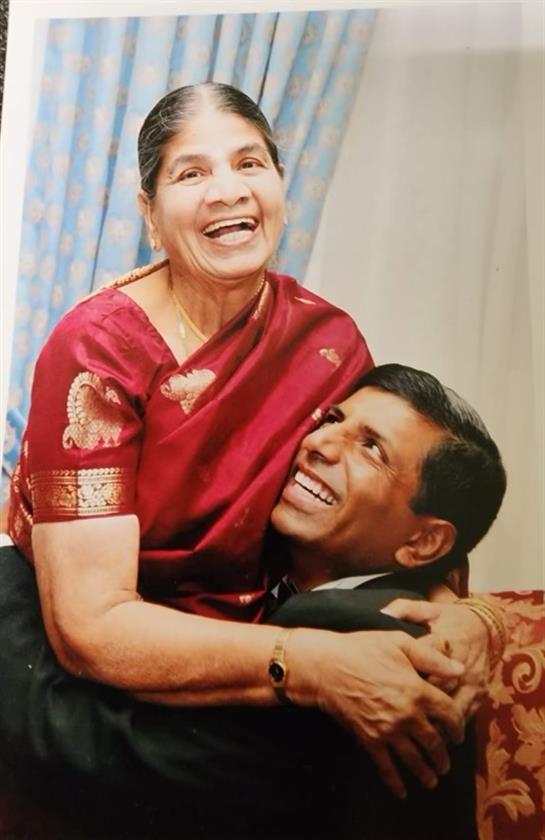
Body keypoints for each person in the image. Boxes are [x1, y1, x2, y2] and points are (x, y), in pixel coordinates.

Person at [0, 83, 491, 836]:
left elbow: (396, 509)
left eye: (249, 162)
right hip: (87, 660)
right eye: (190, 174)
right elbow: (90, 627)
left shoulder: (326, 343)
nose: (227, 190)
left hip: (240, 652)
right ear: (149, 215)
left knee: (407, 691)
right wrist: (315, 667)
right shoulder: (98, 353)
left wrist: (472, 619)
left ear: (280, 187)